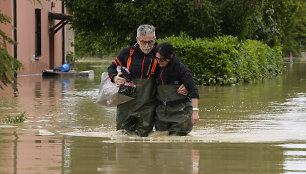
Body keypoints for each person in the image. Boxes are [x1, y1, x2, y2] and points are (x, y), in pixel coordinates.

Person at [154, 42, 200, 136]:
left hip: (180, 113)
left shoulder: (180, 68)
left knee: (179, 142)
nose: (159, 62)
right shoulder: (155, 67)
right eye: (157, 59)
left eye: (162, 60)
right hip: (161, 113)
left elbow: (193, 90)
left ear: (171, 56)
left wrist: (195, 112)